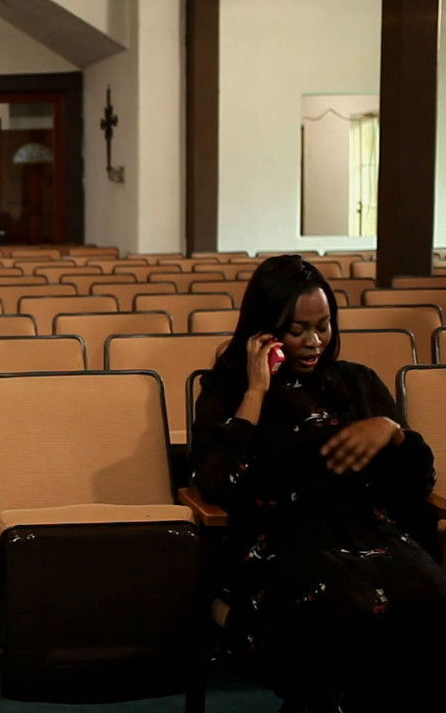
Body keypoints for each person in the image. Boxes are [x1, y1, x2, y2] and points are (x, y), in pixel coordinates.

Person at [190, 255, 446, 712]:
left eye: (323, 327)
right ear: (265, 331)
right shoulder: (227, 392)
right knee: (346, 607)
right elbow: (218, 484)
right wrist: (255, 391)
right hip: (278, 541)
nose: (314, 342)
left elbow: (418, 483)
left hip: (367, 533)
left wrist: (394, 432)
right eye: (297, 330)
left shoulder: (357, 383)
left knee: (429, 595)